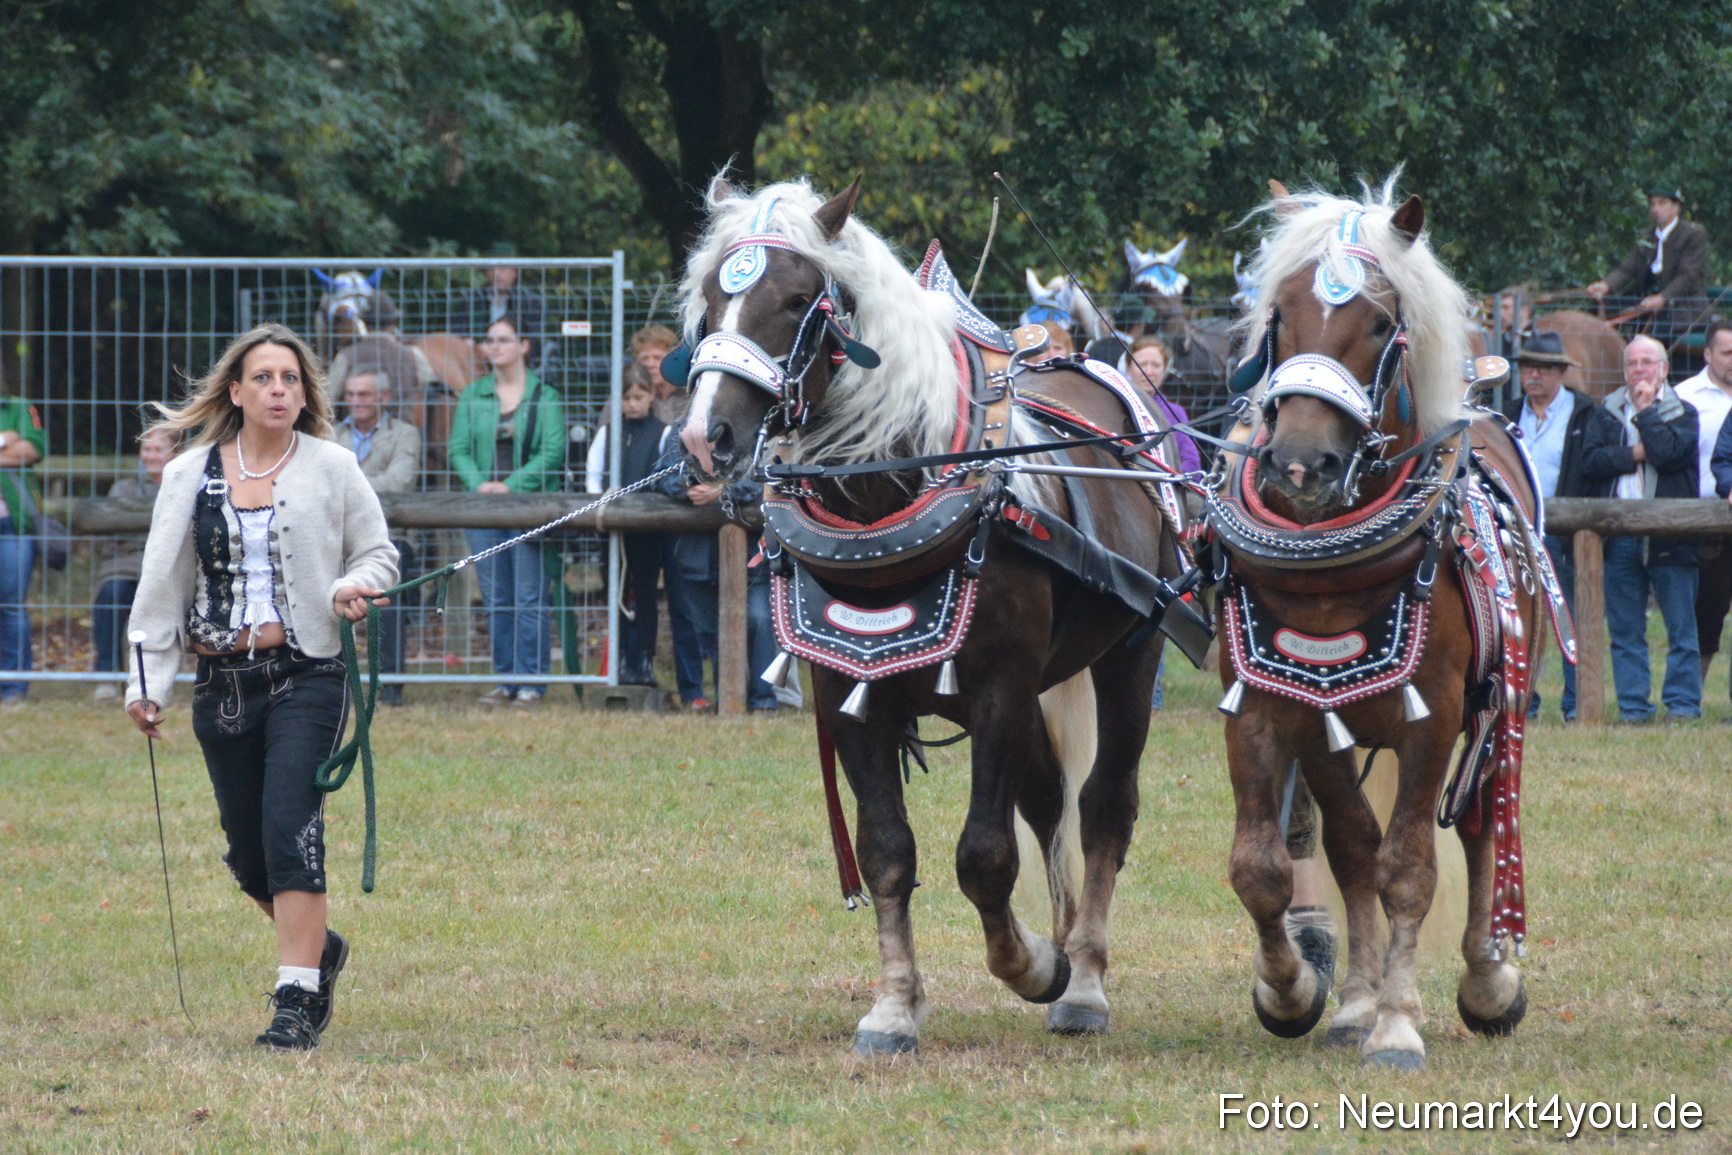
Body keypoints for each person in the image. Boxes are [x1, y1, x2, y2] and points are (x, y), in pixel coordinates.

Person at [124, 323, 398, 1051]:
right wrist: (147, 681)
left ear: (304, 393)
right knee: (249, 857)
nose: (280, 389)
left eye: (292, 379)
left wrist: (354, 584)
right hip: (220, 682)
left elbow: (379, 552)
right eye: (266, 378)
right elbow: (161, 586)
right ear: (237, 391)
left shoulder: (334, 466)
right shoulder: (187, 475)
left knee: (289, 831)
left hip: (307, 672)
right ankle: (319, 950)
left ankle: (294, 999)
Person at [1498, 332, 1622, 720]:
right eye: (1527, 366)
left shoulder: (1588, 414)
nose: (1533, 374)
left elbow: (1598, 470)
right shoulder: (1505, 415)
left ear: (1560, 373)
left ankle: (1575, 704)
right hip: (1512, 531)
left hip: (1564, 535)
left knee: (1569, 618)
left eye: (1544, 367)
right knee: (1514, 620)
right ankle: (1522, 703)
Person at [449, 315, 566, 706]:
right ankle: (506, 681)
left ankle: (531, 682)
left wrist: (511, 486)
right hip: (483, 511)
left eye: (502, 339)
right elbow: (458, 450)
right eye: (489, 340)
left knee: (530, 596)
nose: (493, 346)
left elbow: (552, 452)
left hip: (529, 510)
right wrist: (479, 484)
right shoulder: (472, 395)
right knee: (497, 597)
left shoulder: (544, 396)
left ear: (523, 346)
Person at [1586, 335, 1702, 722]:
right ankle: (1633, 708)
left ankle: (1683, 707)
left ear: (1664, 369)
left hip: (1670, 534)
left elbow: (1670, 454)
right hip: (1619, 536)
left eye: (1648, 363)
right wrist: (1637, 453)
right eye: (1632, 363)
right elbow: (1593, 462)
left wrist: (1646, 411)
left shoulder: (1684, 411)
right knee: (1625, 631)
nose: (1640, 370)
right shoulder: (1605, 411)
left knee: (1681, 629)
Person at [654, 441, 780, 712]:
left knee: (759, 621)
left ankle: (763, 702)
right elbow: (661, 476)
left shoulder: (756, 427)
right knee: (709, 632)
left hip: (753, 556)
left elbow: (767, 476)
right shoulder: (683, 432)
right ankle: (727, 697)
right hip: (695, 556)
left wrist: (724, 490)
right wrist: (688, 490)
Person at [329, 369, 422, 706]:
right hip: (334, 537)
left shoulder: (406, 434)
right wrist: (372, 479)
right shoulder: (330, 434)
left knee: (387, 606)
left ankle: (389, 685)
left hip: (391, 535)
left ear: (383, 398)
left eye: (364, 394)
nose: (355, 401)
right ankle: (334, 679)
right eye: (351, 394)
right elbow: (319, 484)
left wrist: (345, 484)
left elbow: (400, 482)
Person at [585, 367, 667, 686]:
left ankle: (643, 660)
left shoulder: (663, 431)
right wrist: (599, 508)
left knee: (645, 594)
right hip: (611, 530)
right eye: (626, 398)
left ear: (650, 397)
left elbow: (662, 477)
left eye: (639, 397)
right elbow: (593, 474)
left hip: (647, 531)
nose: (632, 404)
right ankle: (617, 661)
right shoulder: (608, 432)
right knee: (613, 592)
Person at [91, 427, 176, 702]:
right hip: (126, 568)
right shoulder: (123, 487)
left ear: (175, 453)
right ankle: (106, 675)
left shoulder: (184, 485)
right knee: (109, 596)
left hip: (171, 571)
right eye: (146, 450)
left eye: (157, 449)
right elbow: (113, 537)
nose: (150, 456)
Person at [1587, 185, 1709, 354]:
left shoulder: (1693, 234)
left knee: (1654, 339)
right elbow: (1628, 268)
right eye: (1652, 204)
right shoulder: (1647, 236)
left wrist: (1663, 298)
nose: (1655, 209)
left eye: (1661, 203)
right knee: (1599, 307)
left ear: (1676, 206)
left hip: (1679, 308)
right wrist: (1606, 285)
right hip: (1644, 303)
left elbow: (1688, 275)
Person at [1683, 319, 1732, 701]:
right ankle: (1690, 697)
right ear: (1708, 354)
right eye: (1727, 353)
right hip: (1700, 521)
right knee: (1705, 614)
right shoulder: (1684, 396)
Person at [0, 369, 46, 704]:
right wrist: (6, 440)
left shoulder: (18, 406)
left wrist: (18, 442)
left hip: (12, 527)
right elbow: (17, 448)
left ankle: (14, 687)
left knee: (12, 606)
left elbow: (33, 449)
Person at [449, 244, 552, 376]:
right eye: (492, 268)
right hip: (474, 367)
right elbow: (455, 336)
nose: (497, 274)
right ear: (486, 272)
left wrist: (501, 349)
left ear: (514, 272)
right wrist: (472, 346)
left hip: (516, 367)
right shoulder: (469, 301)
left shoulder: (530, 303)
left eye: (503, 268)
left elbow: (534, 343)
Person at [631, 324, 686, 426]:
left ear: (671, 359)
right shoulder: (628, 396)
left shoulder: (689, 394)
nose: (650, 364)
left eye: (657, 357)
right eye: (644, 358)